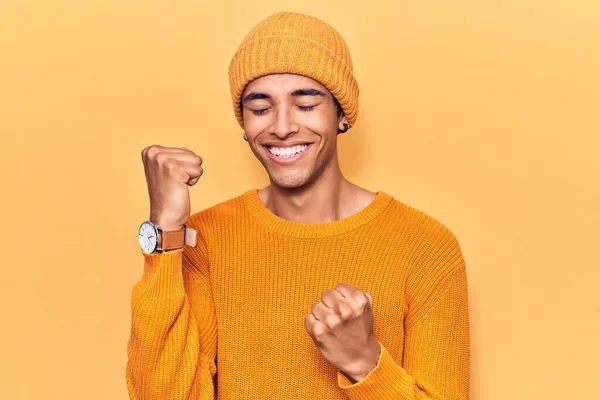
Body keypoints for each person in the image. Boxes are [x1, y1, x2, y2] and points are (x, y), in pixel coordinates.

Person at [126, 11, 470, 400]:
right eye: (260, 109)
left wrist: (363, 362)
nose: (282, 126)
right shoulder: (202, 241)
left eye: (306, 104)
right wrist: (165, 231)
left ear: (342, 115)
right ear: (243, 124)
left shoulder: (425, 246)